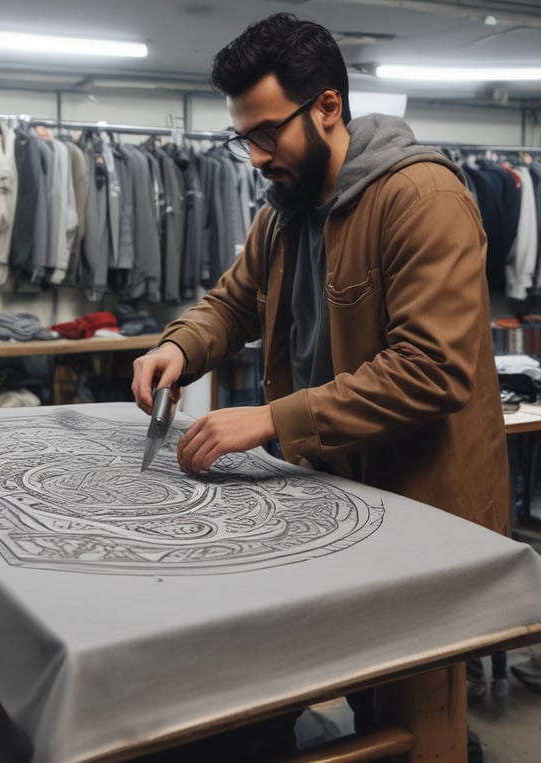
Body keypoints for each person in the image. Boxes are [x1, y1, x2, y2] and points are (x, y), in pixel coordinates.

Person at [132, 11, 510, 757]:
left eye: (267, 133)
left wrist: (272, 418)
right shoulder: (284, 212)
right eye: (245, 137)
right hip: (339, 493)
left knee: (414, 709)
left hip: (424, 509)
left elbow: (433, 368)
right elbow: (234, 301)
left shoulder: (421, 198)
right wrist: (178, 346)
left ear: (329, 107)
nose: (255, 155)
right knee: (347, 689)